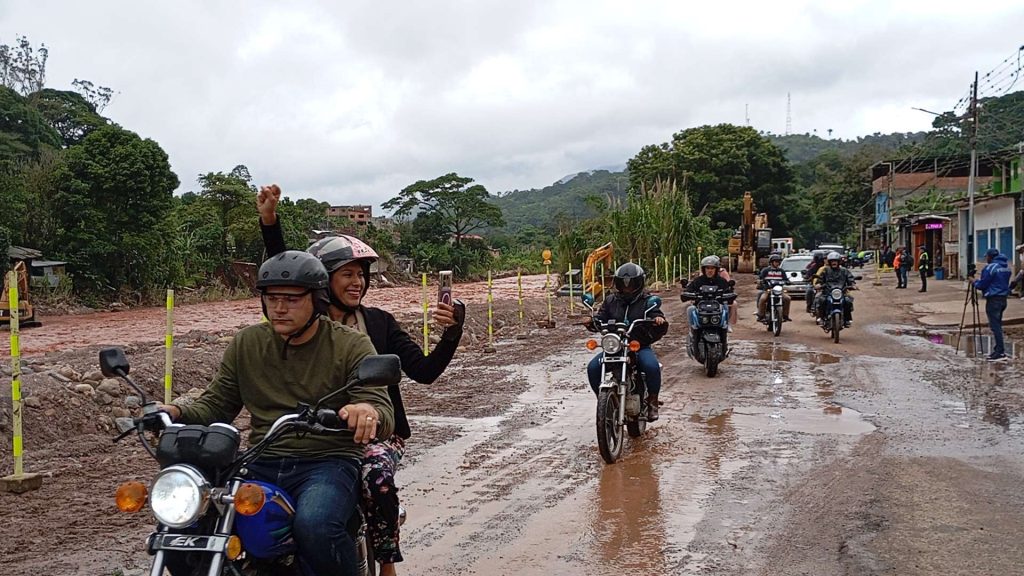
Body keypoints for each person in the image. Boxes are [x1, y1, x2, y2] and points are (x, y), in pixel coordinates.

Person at [257, 185, 464, 576]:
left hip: (378, 433)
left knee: (376, 473)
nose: (358, 283)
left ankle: (386, 562)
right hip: (309, 433)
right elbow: (284, 272)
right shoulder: (303, 323)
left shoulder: (380, 323)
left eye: (362, 275)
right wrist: (270, 222)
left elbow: (425, 372)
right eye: (346, 274)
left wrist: (451, 334)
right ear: (321, 282)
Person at [161, 251, 395, 576]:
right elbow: (216, 405)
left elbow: (381, 408)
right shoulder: (247, 343)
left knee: (315, 525)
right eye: (272, 299)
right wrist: (174, 411)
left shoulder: (350, 345)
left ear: (317, 300)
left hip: (327, 461)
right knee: (187, 524)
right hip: (261, 460)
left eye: (292, 299)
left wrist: (365, 411)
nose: (280, 308)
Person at [587, 262, 668, 420]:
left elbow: (656, 313)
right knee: (593, 368)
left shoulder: (647, 300)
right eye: (623, 284)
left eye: (631, 284)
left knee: (651, 366)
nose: (627, 288)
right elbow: (600, 316)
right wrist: (592, 320)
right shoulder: (611, 300)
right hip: (615, 345)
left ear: (639, 283)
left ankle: (652, 402)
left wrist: (658, 319)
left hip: (638, 346)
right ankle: (604, 402)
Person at [972, 247, 1011, 362]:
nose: (986, 259)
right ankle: (999, 350)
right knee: (998, 324)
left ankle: (999, 351)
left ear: (990, 256)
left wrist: (974, 281)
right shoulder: (1006, 267)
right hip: (1003, 299)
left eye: (987, 257)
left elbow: (982, 284)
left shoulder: (990, 268)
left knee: (995, 327)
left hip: (993, 299)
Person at [813, 251, 857, 326]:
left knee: (848, 301)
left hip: (841, 292)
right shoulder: (826, 270)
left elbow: (850, 279)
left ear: (839, 262)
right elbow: (820, 280)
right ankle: (821, 318)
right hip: (827, 292)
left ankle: (847, 319)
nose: (834, 263)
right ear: (829, 262)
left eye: (835, 261)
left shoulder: (844, 270)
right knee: (821, 300)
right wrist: (819, 284)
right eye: (832, 261)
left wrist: (853, 285)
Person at [756, 253, 792, 322]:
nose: (777, 263)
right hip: (768, 290)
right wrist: (760, 281)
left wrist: (788, 281)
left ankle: (785, 315)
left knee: (787, 298)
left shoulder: (781, 271)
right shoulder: (765, 270)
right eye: (776, 262)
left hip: (779, 290)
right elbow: (760, 278)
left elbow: (786, 279)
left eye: (778, 262)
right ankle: (761, 315)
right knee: (763, 299)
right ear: (771, 262)